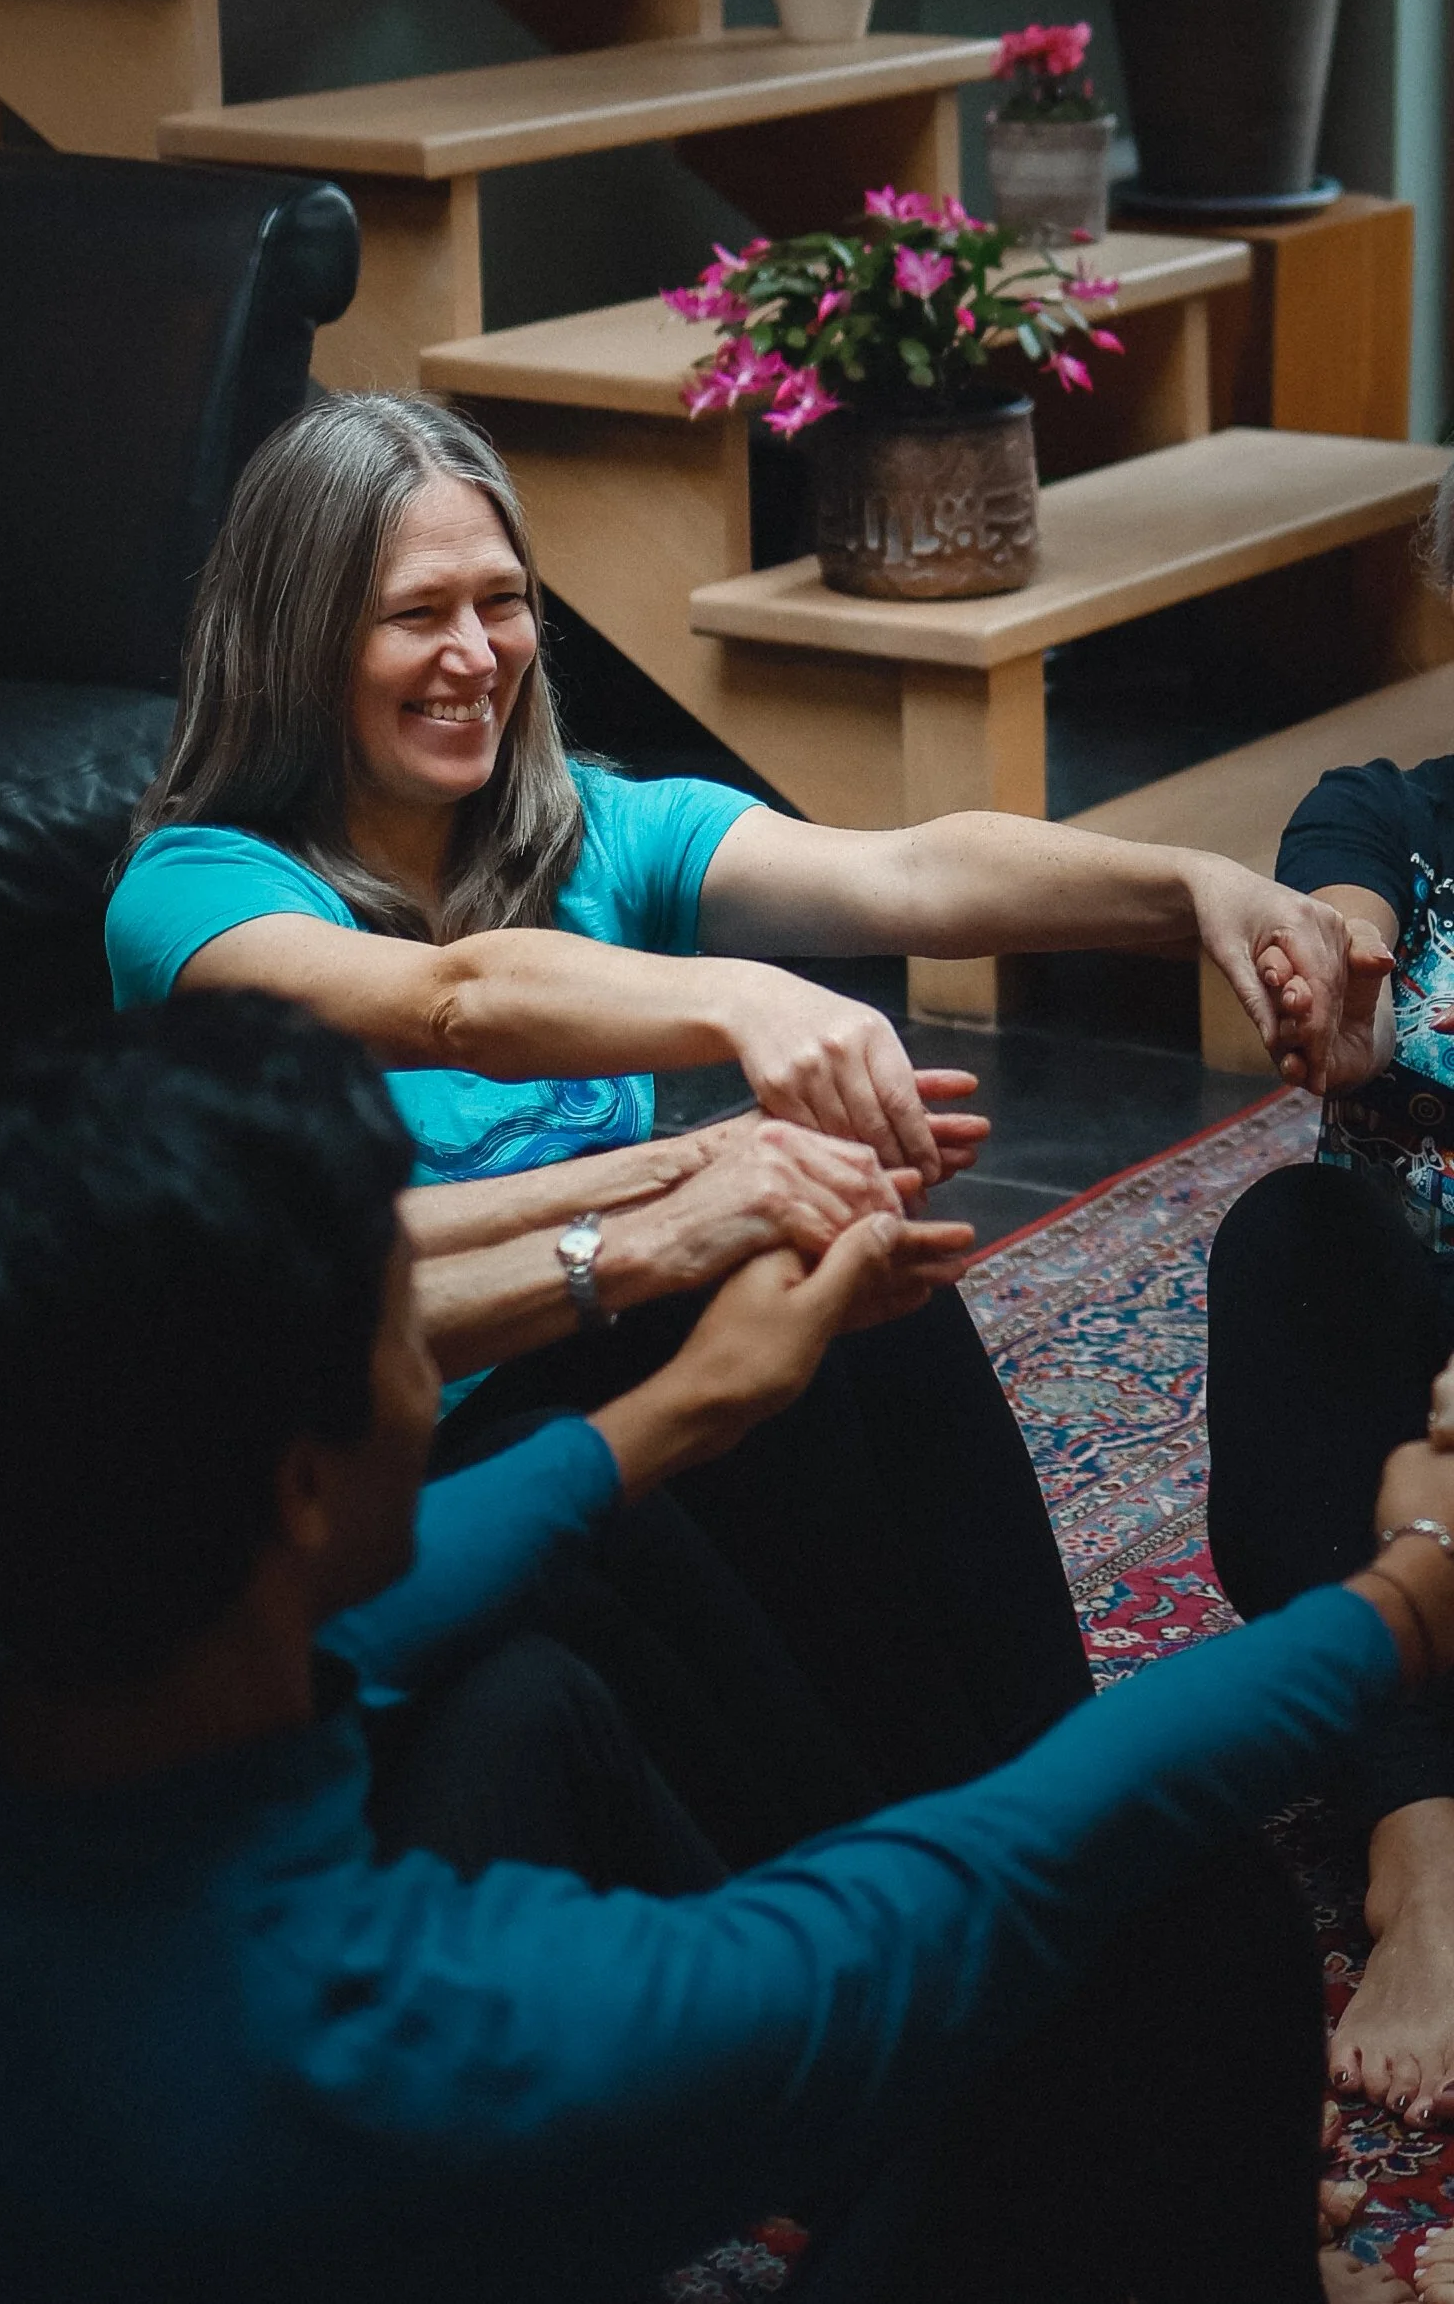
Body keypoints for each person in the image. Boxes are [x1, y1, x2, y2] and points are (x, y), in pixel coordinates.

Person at [0, 995, 1454, 2304]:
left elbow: (346, 1626)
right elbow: (993, 1863)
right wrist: (1405, 1592)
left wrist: (679, 1409)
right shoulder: (474, 2035)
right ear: (303, 1481)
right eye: (397, 1314)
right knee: (1177, 1921)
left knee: (527, 1693)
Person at [0, 796, 920, 2271]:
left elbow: (225, 1265)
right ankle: (854, 2054)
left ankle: (854, 2027)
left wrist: (685, 1176)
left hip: (67, 1871)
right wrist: (635, 1259)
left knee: (553, 1607)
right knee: (542, 1619)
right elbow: (145, 1355)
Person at [105, 390, 1387, 1837]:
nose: (475, 655)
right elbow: (453, 996)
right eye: (417, 615)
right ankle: (880, 1865)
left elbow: (905, 874)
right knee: (724, 1289)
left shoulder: (581, 827)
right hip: (416, 1441)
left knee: (852, 1264)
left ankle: (1057, 1792)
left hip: (636, 1351)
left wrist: (1188, 888)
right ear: (303, 637)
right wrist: (743, 1001)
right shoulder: (195, 894)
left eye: (502, 603)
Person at [1204, 459, 1454, 2131]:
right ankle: (1418, 1856)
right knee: (1289, 1237)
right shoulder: (1392, 811)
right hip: (1403, 1501)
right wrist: (1338, 968)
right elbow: (1337, 900)